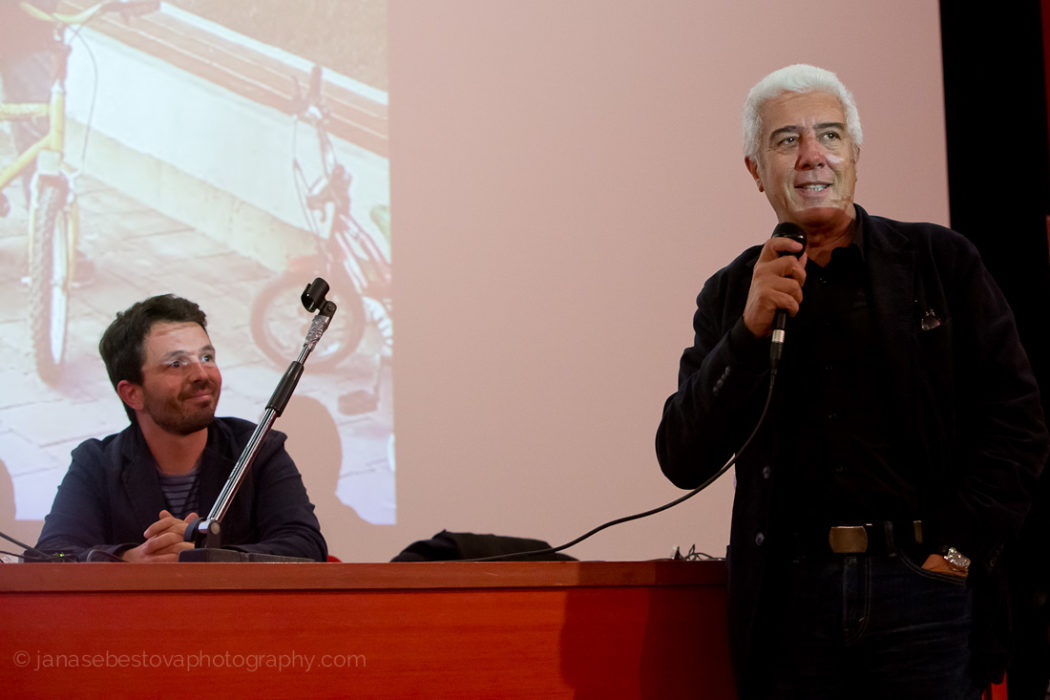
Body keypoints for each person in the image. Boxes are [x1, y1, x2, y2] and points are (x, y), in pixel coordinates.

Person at [655, 64, 1049, 699]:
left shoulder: (940, 262)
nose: (812, 155)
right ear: (756, 170)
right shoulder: (732, 294)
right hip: (790, 606)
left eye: (830, 135)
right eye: (787, 140)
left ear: (855, 155)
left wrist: (955, 554)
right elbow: (682, 457)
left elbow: (1017, 426)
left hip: (923, 593)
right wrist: (747, 334)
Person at [36, 294, 327, 562]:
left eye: (206, 358)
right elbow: (51, 556)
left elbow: (307, 547)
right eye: (176, 364)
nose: (201, 375)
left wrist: (209, 558)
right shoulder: (97, 463)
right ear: (132, 394)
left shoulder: (257, 448)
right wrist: (127, 560)